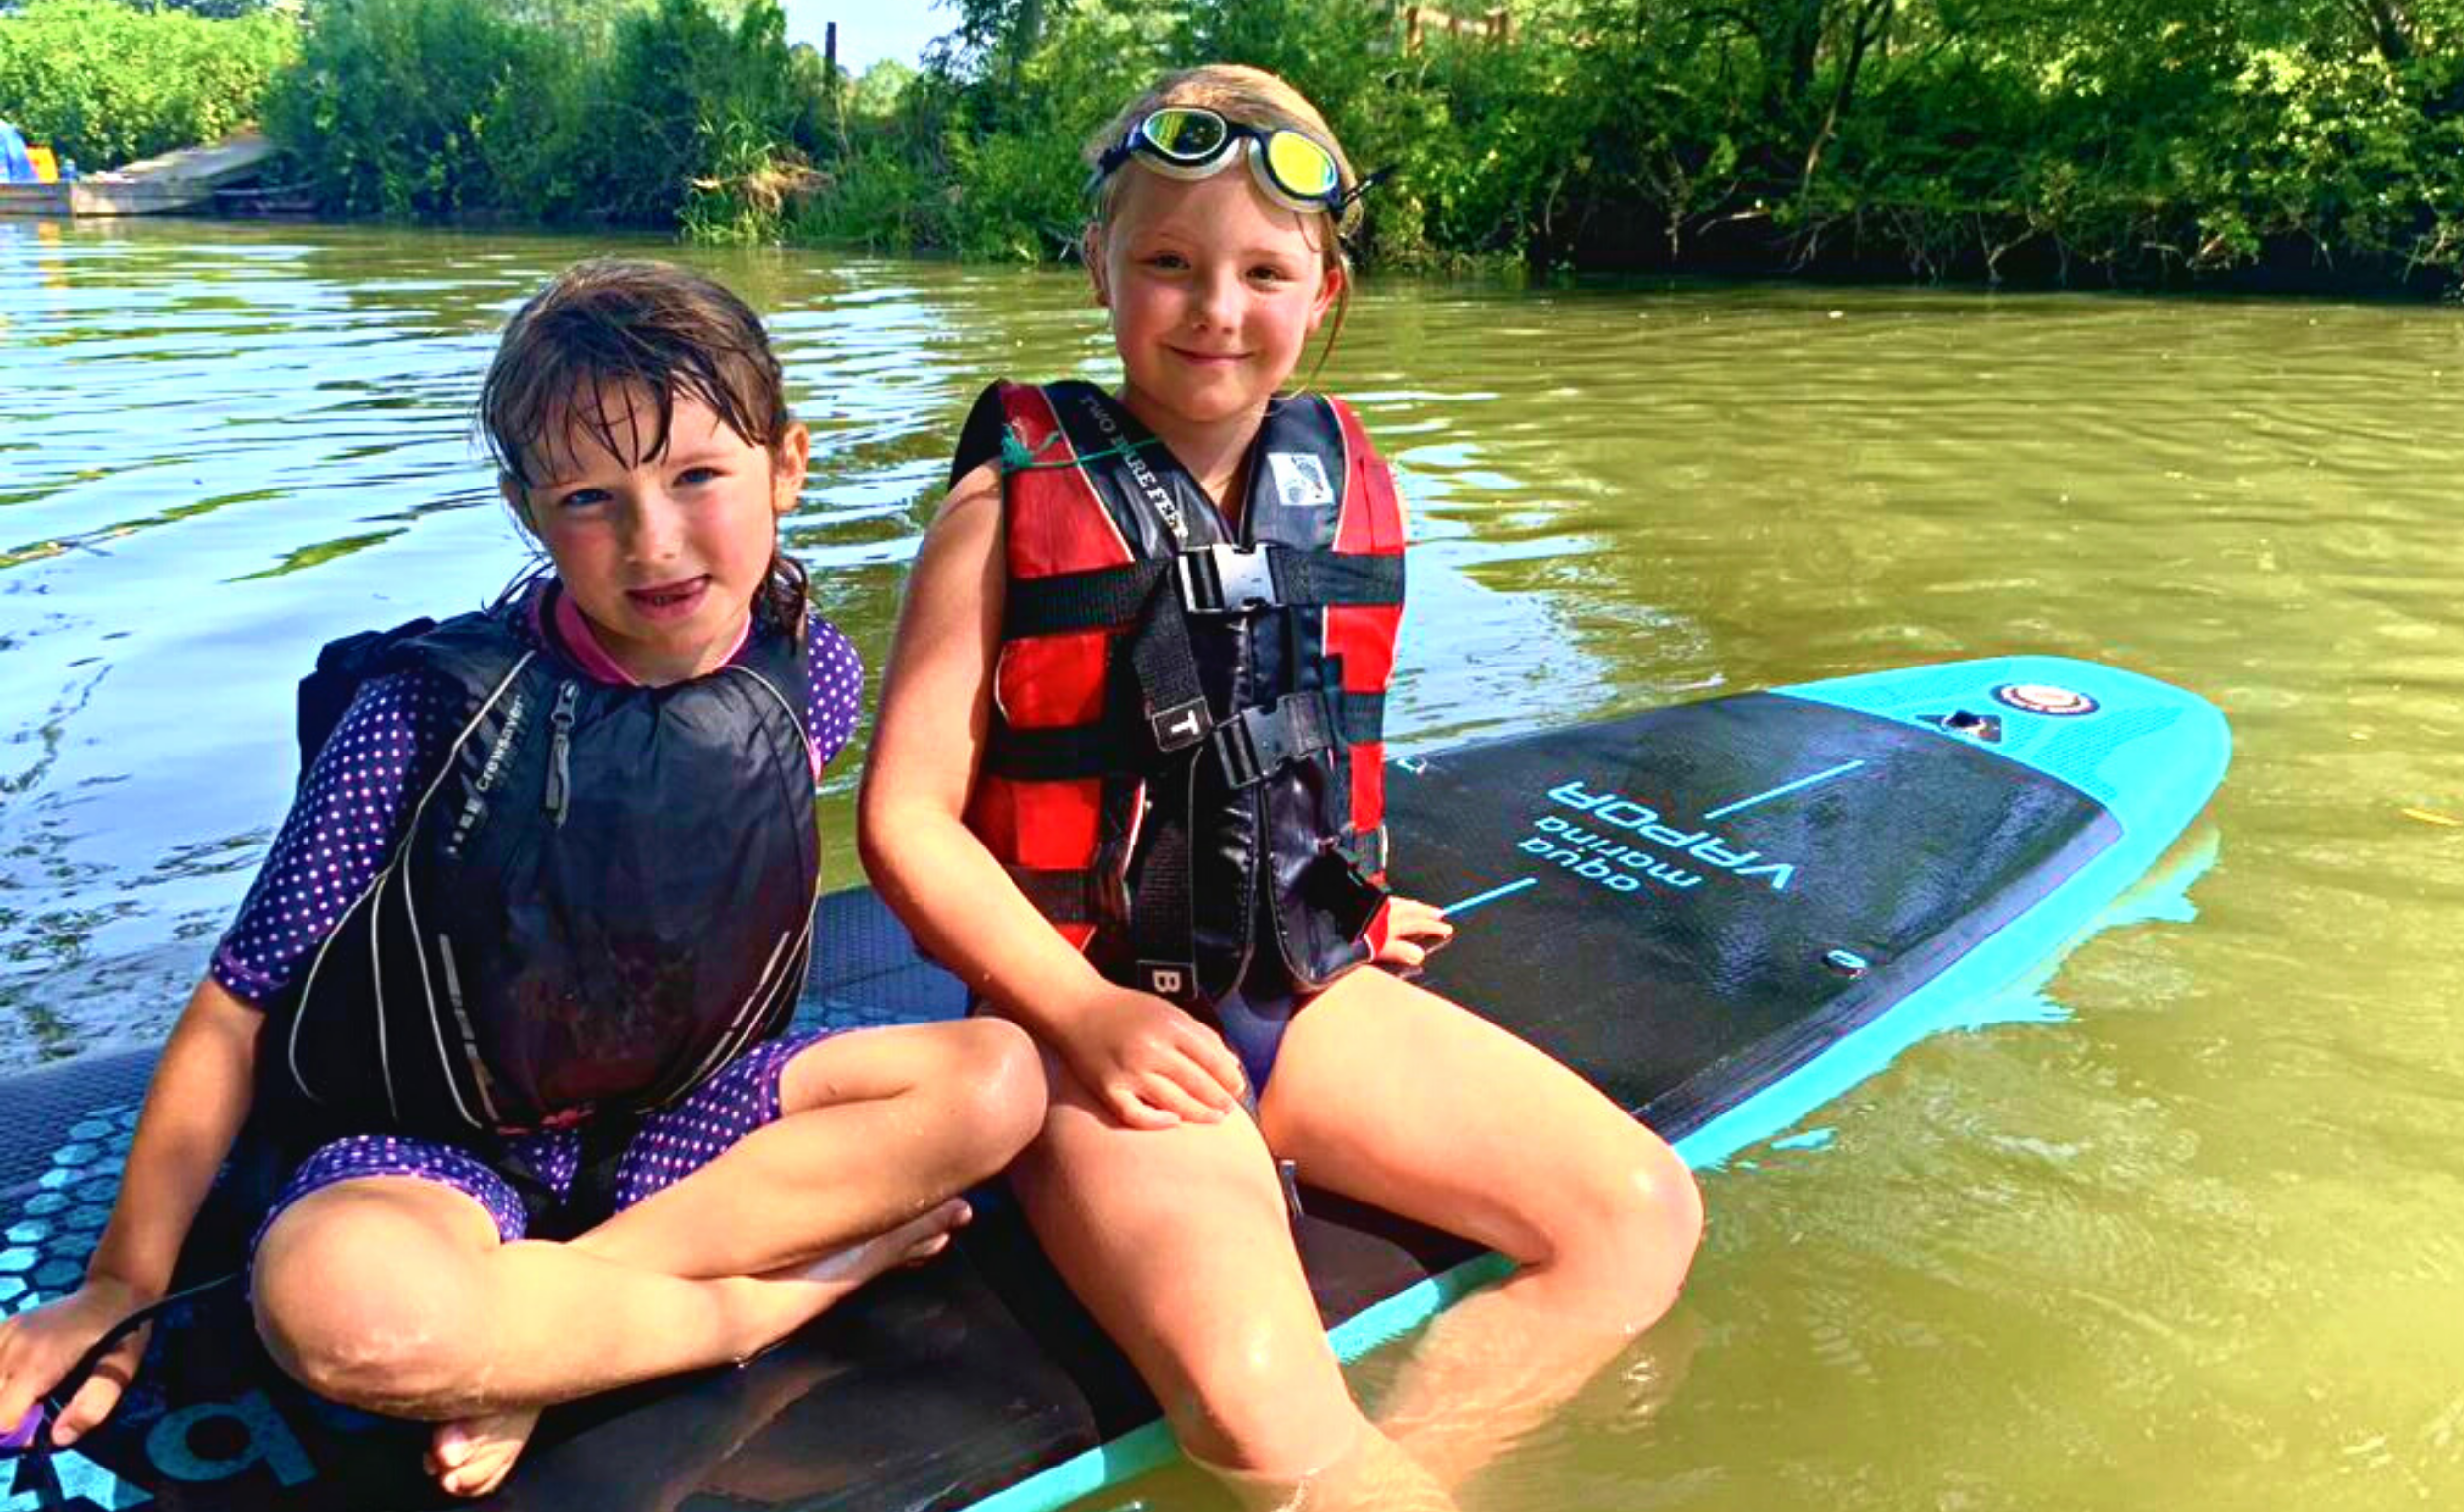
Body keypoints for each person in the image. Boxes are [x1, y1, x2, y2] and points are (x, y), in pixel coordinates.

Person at [0, 259, 1047, 1499]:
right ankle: (772, 1298)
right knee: (345, 1317)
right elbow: (238, 1002)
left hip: (676, 1123)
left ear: (788, 464)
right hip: (430, 1152)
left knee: (997, 1077)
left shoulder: (810, 671)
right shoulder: (422, 715)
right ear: (529, 510)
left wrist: (541, 1314)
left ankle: (547, 1326)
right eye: (591, 498)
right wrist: (123, 1283)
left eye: (698, 476)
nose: (653, 541)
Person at [858, 65, 1702, 1509]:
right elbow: (904, 822)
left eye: (1263, 270)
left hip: (1299, 995)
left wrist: (1350, 901)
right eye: (1171, 264)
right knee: (1271, 1418)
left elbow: (1282, 749)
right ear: (1100, 267)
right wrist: (1081, 1011)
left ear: (1326, 294)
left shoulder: (1345, 486)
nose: (1216, 309)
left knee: (1637, 1215)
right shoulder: (1005, 508)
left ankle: (1408, 1470)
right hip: (1091, 1040)